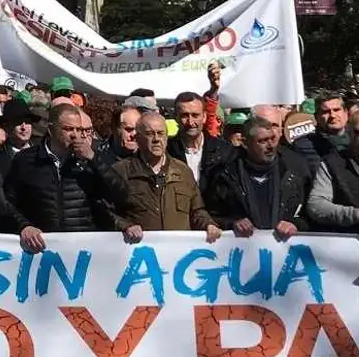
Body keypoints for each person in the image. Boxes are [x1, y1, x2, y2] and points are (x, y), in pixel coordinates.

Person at [4, 104, 129, 253]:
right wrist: (23, 226)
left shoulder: (91, 158)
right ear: (51, 129)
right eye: (68, 129)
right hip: (43, 248)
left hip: (83, 247)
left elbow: (121, 194)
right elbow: (8, 202)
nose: (75, 135)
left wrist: (93, 159)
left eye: (79, 130)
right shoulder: (26, 160)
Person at [112, 113, 222, 243]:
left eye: (160, 133)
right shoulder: (121, 171)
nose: (156, 139)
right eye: (150, 134)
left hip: (178, 255)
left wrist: (208, 224)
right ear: (138, 138)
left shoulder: (183, 171)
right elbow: (106, 212)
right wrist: (125, 226)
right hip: (141, 255)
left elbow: (197, 210)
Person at [203, 117, 308, 240]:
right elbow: (212, 215)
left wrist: (295, 223)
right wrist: (232, 223)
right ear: (245, 143)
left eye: (272, 139)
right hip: (242, 249)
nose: (270, 146)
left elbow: (307, 213)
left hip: (282, 252)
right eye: (262, 141)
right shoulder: (226, 175)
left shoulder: (292, 172)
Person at [167, 91, 234, 188]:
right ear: (175, 117)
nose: (190, 122)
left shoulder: (224, 151)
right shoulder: (166, 152)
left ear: (204, 117)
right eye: (184, 116)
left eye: (195, 115)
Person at [292, 94, 350, 173]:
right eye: (326, 112)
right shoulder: (303, 146)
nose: (332, 115)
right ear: (316, 117)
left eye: (336, 110)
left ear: (346, 113)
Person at [0, 99, 40, 178]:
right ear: (6, 126)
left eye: (27, 121)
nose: (24, 127)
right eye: (18, 122)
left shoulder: (42, 150)